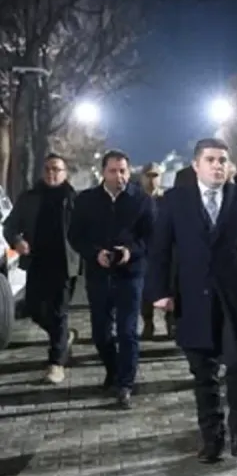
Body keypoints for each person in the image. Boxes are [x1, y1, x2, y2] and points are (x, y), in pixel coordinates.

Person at [146, 138, 237, 463]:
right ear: (196, 165)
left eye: (222, 160)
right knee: (203, 373)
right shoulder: (175, 201)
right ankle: (211, 438)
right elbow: (160, 250)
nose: (218, 165)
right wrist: (160, 292)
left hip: (235, 300)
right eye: (211, 160)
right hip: (192, 300)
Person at [68, 150, 156, 408]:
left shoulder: (141, 200)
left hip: (131, 274)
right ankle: (113, 370)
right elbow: (75, 236)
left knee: (128, 331)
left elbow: (151, 237)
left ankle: (125, 384)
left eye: (123, 171)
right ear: (103, 172)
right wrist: (95, 253)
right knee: (100, 332)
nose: (119, 176)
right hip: (99, 273)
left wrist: (130, 251)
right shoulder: (86, 200)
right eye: (113, 171)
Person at [3, 153, 81, 384]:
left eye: (56, 169)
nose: (51, 173)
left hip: (65, 264)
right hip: (36, 261)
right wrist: (17, 241)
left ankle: (56, 363)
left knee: (59, 312)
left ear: (65, 173)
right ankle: (63, 337)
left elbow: (87, 229)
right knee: (34, 308)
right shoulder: (29, 198)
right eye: (47, 169)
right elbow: (10, 226)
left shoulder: (74, 199)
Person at [138, 162, 173, 340]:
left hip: (165, 251)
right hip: (144, 251)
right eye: (148, 175)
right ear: (142, 178)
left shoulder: (168, 200)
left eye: (155, 175)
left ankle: (171, 322)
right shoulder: (136, 200)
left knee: (169, 288)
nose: (152, 179)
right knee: (144, 290)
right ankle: (148, 322)